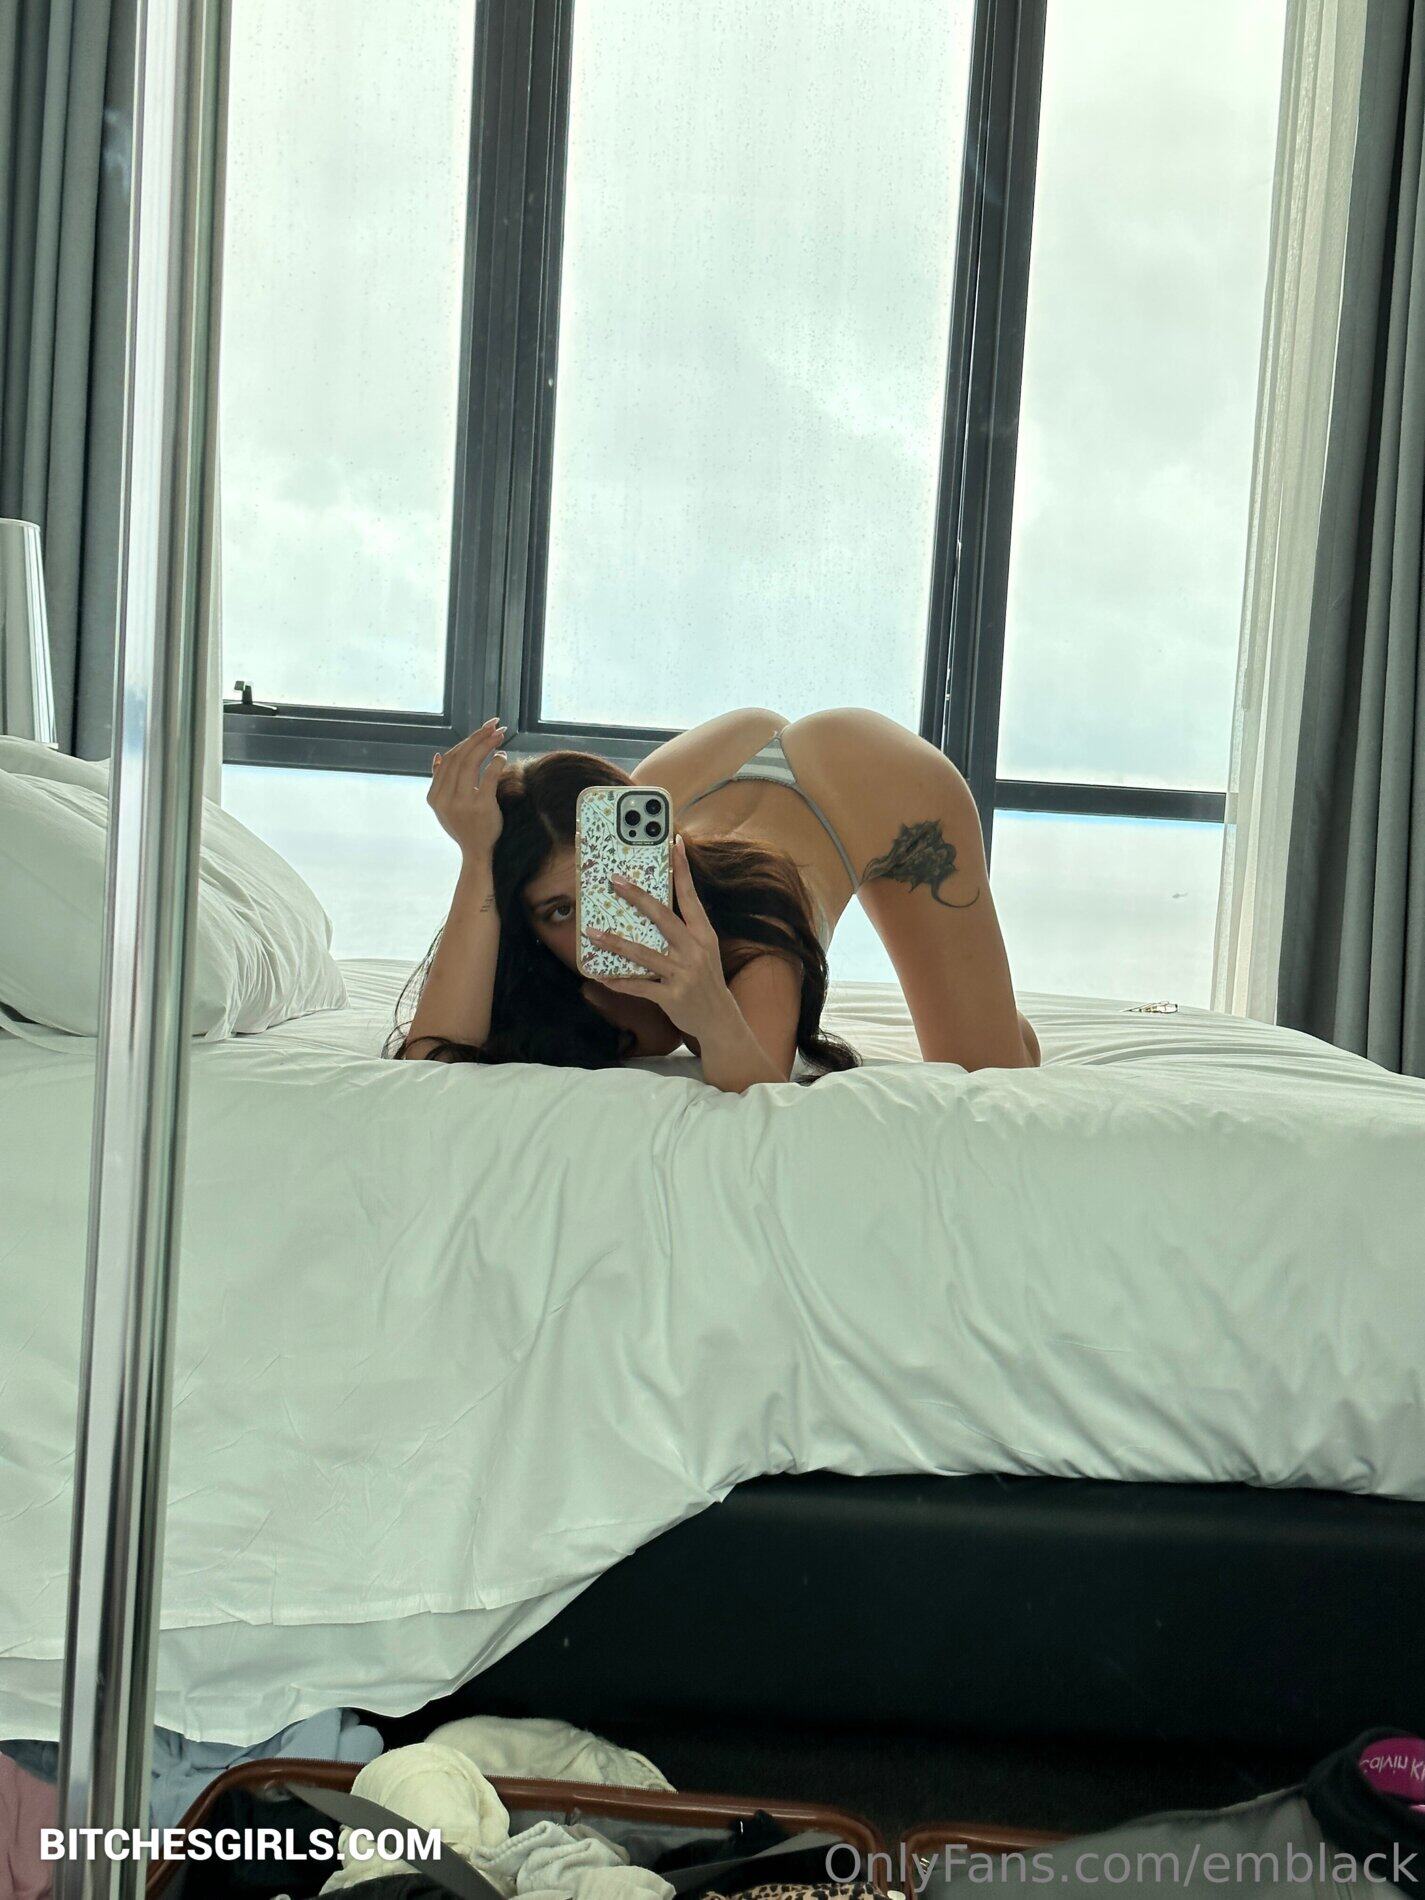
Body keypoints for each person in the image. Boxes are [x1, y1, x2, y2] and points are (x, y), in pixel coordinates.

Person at [389, 706, 1041, 1091]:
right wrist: (477, 856)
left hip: (877, 780)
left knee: (992, 1072)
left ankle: (1003, 1013)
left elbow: (759, 1088)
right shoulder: (553, 969)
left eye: (604, 888)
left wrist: (709, 1008)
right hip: (704, 769)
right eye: (558, 911)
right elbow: (430, 1059)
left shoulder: (751, 920)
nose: (595, 926)